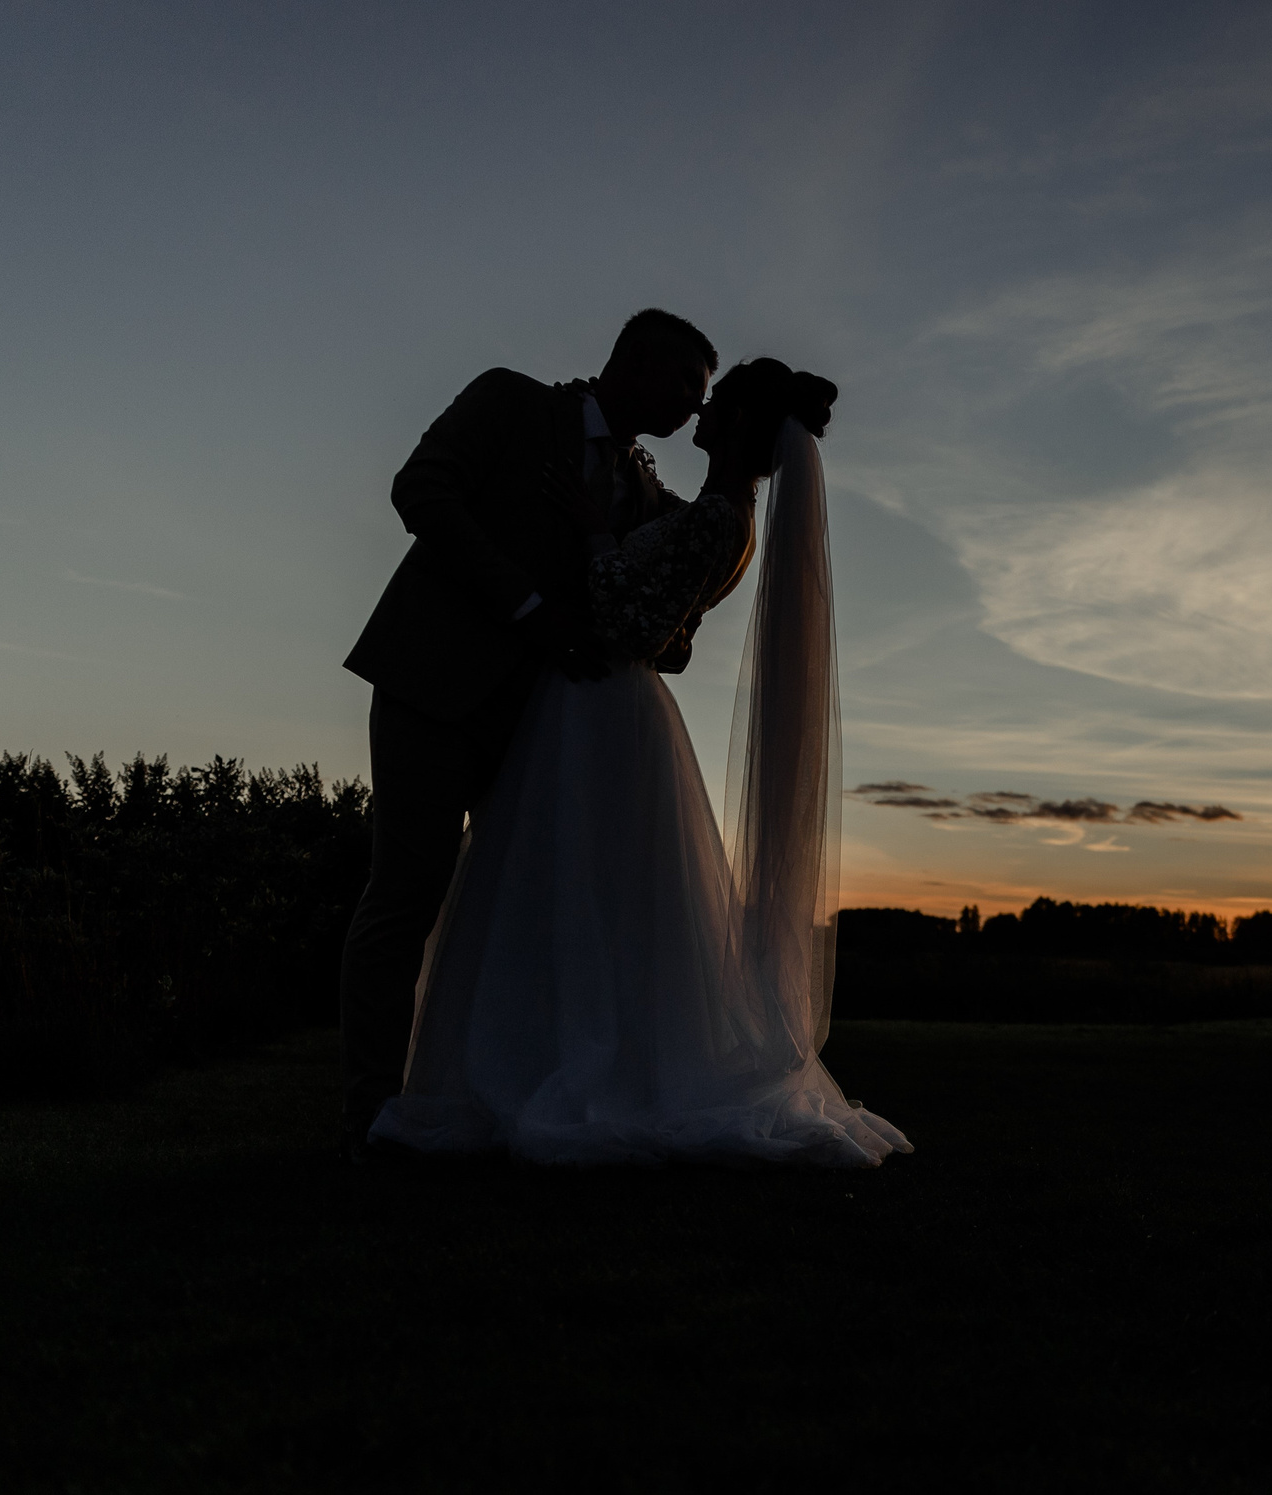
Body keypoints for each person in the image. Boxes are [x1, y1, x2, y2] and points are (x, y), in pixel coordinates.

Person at [369, 357, 905, 1166]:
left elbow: (632, 620)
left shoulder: (721, 516)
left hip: (603, 706)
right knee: (578, 888)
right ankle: (535, 1058)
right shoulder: (712, 512)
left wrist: (592, 530)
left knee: (579, 883)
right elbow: (674, 628)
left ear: (737, 425)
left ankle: (554, 1069)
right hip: (596, 706)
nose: (700, 407)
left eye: (714, 400)